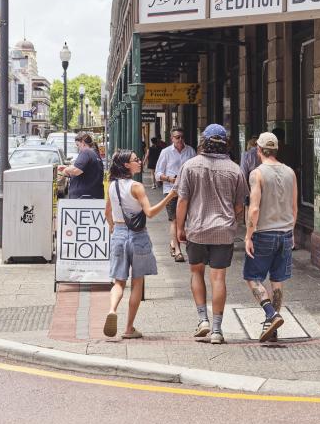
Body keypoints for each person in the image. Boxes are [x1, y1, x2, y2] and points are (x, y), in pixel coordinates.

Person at [175, 123, 247, 345]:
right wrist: (230, 220)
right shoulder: (235, 169)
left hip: (196, 229)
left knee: (196, 273)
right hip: (223, 232)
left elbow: (182, 201)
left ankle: (202, 321)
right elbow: (239, 206)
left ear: (203, 141)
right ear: (225, 143)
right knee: (218, 278)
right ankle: (217, 330)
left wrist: (180, 228)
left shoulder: (190, 166)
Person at [102, 149, 177, 340]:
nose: (139, 162)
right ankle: (128, 329)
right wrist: (170, 196)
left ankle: (112, 309)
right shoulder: (137, 186)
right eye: (136, 160)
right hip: (138, 236)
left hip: (119, 234)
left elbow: (107, 212)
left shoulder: (112, 186)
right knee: (137, 282)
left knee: (118, 281)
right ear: (126, 165)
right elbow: (150, 212)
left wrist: (113, 227)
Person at [244, 131, 298, 341]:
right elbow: (294, 208)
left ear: (258, 150)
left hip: (264, 233)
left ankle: (270, 314)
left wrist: (249, 236)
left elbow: (254, 209)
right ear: (276, 150)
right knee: (277, 282)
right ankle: (272, 329)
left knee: (252, 277)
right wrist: (291, 231)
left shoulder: (257, 174)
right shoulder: (290, 172)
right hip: (285, 233)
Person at [155, 127, 197, 261]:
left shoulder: (190, 151)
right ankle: (178, 251)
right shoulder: (166, 152)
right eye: (177, 137)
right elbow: (157, 174)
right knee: (175, 220)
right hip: (171, 191)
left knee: (187, 220)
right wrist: (169, 179)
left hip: (189, 191)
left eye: (182, 137)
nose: (180, 139)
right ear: (172, 138)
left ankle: (183, 246)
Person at [59, 132, 104, 199]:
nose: (78, 148)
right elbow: (85, 171)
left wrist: (66, 170)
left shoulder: (86, 152)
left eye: (78, 145)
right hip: (95, 196)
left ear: (83, 143)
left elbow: (76, 170)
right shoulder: (95, 154)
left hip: (82, 198)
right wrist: (68, 168)